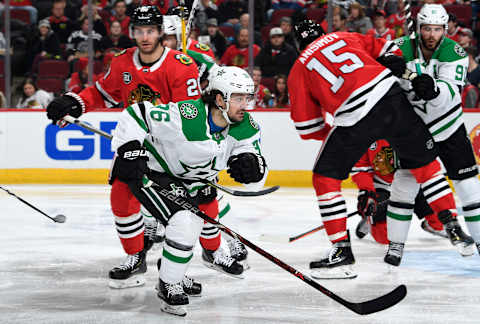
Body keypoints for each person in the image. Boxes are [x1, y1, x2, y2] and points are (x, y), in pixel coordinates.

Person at [288, 20, 468, 279]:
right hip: (392, 97)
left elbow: (307, 128)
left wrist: (341, 140)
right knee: (426, 166)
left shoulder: (299, 67)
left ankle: (341, 250)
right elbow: (391, 49)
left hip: (355, 117)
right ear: (323, 33)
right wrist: (393, 62)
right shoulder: (344, 36)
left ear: (297, 45)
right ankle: (452, 223)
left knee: (324, 178)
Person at [45, 6, 206, 290]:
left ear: (160, 32)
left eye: (150, 31)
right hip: (134, 144)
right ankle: (136, 257)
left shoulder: (181, 66)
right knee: (121, 199)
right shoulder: (121, 62)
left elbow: (191, 114)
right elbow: (101, 93)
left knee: (177, 213)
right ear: (133, 32)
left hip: (171, 150)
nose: (145, 37)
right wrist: (75, 103)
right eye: (140, 31)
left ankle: (175, 271)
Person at [110, 66, 266, 316]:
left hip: (191, 180)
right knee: (184, 221)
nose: (245, 104)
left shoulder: (245, 125)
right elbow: (137, 113)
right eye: (238, 98)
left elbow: (253, 154)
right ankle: (168, 283)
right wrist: (129, 147)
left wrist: (254, 166)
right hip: (154, 173)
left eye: (247, 98)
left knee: (191, 225)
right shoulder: (188, 115)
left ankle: (173, 274)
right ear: (218, 99)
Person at [394, 3, 480, 256]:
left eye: (437, 29)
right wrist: (391, 66)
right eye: (427, 29)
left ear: (445, 29)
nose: (432, 34)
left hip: (449, 126)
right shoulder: (401, 47)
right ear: (419, 27)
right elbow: (382, 75)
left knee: (467, 185)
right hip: (416, 131)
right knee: (405, 185)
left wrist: (432, 90)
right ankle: (395, 249)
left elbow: (450, 93)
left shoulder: (454, 50)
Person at [351, 139, 450, 244]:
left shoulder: (413, 128)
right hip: (381, 185)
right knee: (386, 238)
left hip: (411, 181)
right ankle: (369, 221)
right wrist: (368, 193)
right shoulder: (366, 131)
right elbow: (360, 169)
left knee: (440, 221)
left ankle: (431, 225)